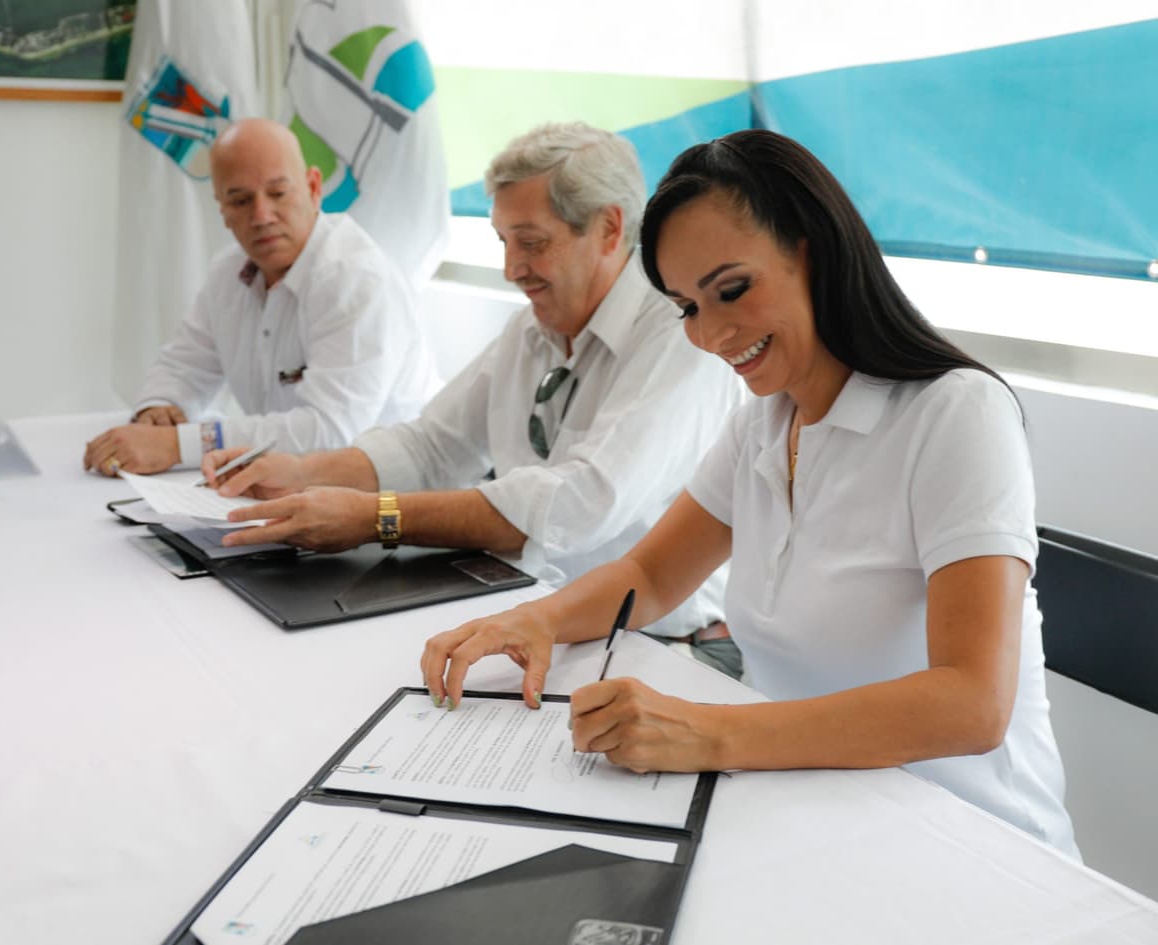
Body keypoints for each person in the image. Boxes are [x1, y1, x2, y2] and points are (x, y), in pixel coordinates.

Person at [419, 130, 1079, 857]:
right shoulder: (766, 422)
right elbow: (650, 574)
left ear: (813, 249)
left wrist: (707, 730)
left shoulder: (957, 414)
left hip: (973, 846)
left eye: (731, 290)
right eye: (688, 307)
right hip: (815, 815)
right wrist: (535, 620)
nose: (712, 334)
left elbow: (971, 702)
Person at [204, 122, 747, 677]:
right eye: (504, 243)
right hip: (548, 624)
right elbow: (430, 446)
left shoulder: (678, 333)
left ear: (609, 229)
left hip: (670, 650)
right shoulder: (529, 331)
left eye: (532, 243)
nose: (512, 270)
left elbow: (578, 505)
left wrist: (376, 517)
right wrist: (301, 473)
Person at [83, 118, 439, 478]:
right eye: (240, 200)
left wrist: (178, 445)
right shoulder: (228, 272)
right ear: (222, 209)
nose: (261, 216)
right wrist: (158, 411)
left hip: (392, 504)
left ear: (314, 188)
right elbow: (182, 367)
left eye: (278, 193)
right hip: (294, 490)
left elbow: (329, 433)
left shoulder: (356, 277)